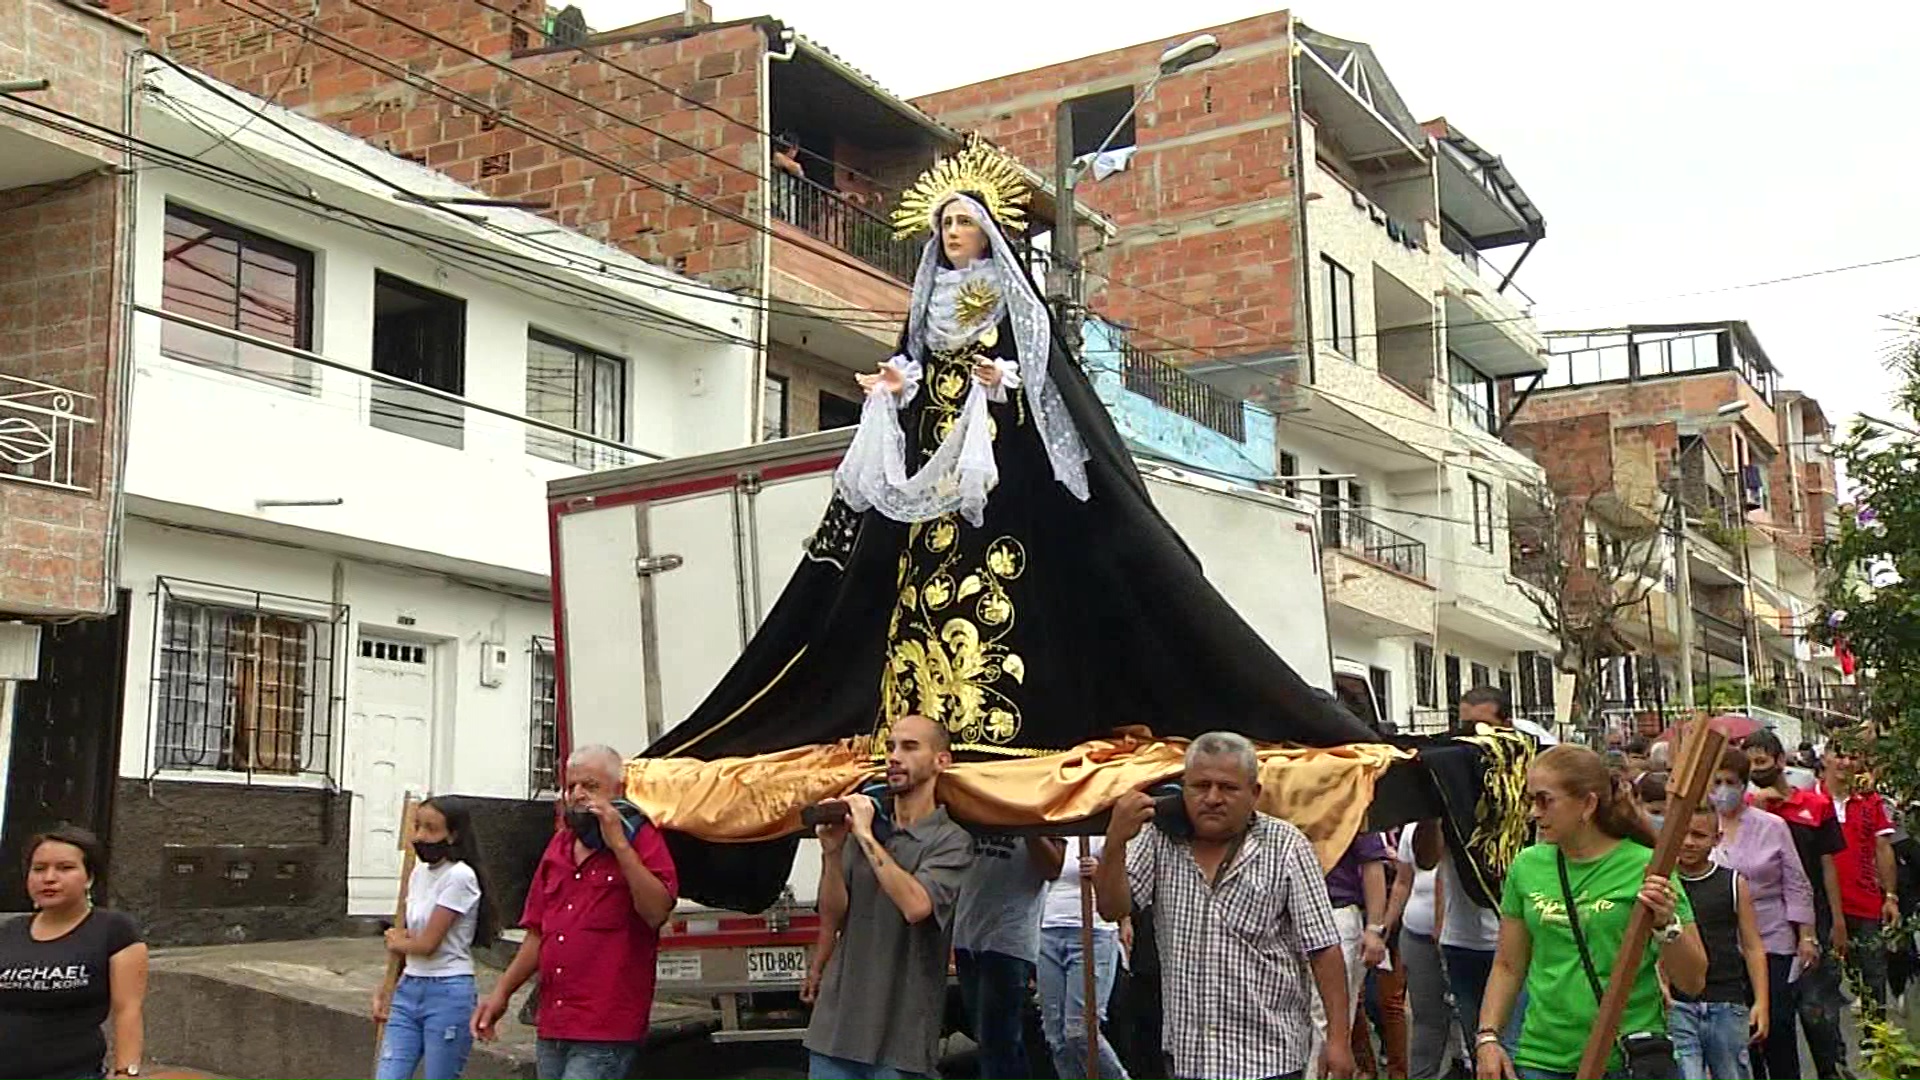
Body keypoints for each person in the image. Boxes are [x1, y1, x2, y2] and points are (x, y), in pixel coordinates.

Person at [1095, 730, 1357, 1080]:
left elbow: (1323, 948)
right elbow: (1112, 909)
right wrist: (1115, 841)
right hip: (1191, 1059)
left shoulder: (1287, 847)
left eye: (1228, 788)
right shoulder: (1158, 838)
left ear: (1254, 794)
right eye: (1200, 786)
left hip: (1269, 1059)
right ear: (1183, 789)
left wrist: (1338, 1041)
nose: (1213, 798)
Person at [1473, 745, 1708, 1080]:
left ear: (1588, 803)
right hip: (1542, 1058)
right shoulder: (1527, 866)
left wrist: (1666, 924)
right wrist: (1488, 1037)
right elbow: (1508, 965)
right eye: (1530, 801)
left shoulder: (1646, 866)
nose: (1533, 814)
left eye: (1545, 800)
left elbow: (1693, 980)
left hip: (1626, 1058)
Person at [472, 745, 678, 1080]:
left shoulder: (642, 838)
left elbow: (656, 912)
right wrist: (501, 993)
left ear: (619, 791)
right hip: (554, 1021)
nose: (578, 795)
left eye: (591, 787)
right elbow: (538, 932)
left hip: (604, 1026)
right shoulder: (561, 845)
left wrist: (620, 846)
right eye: (572, 787)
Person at [804, 714, 973, 1080]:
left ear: (942, 761)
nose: (894, 756)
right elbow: (835, 914)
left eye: (910, 747)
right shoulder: (864, 831)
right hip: (835, 1030)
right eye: (891, 747)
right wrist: (832, 853)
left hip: (901, 1039)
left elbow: (916, 907)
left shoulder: (951, 841)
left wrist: (865, 836)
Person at [0, 826, 148, 1080]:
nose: (49, 878)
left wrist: (126, 1073)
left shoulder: (114, 930)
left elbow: (128, 1010)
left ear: (89, 877)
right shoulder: (9, 931)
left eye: (65, 868)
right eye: (39, 869)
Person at [1746, 731, 1850, 1080]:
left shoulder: (1814, 806)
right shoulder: (1745, 808)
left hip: (1813, 917)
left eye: (1761, 762)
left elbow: (1826, 866)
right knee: (1774, 1014)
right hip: (1767, 924)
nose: (1755, 769)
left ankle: (1832, 1068)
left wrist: (1836, 920)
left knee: (1817, 1007)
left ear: (1779, 761)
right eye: (1750, 764)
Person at [1704, 747, 1813, 1080]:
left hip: (1772, 937)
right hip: (1723, 944)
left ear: (1744, 784)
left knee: (1778, 1025)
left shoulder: (1772, 826)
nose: (1723, 789)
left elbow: (1795, 882)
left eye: (1731, 782)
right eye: (1717, 781)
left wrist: (1806, 935)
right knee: (1737, 1034)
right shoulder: (1700, 827)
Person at [374, 796, 496, 1080]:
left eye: (431, 829)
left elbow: (427, 944)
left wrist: (395, 940)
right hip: (408, 989)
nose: (420, 837)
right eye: (417, 827)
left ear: (452, 834)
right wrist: (387, 986)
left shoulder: (460, 876)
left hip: (447, 992)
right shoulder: (418, 874)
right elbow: (409, 939)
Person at [954, 831, 1062, 1080]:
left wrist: (1027, 827)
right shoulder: (978, 800)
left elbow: (1052, 868)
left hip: (1009, 940)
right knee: (989, 1039)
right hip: (967, 935)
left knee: (998, 1041)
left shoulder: (1041, 803)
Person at [1673, 807, 1770, 1080]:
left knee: (1732, 1072)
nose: (1689, 842)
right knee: (1686, 1073)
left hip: (1727, 1000)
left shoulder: (1733, 882)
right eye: (1683, 833)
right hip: (1677, 1003)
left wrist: (1761, 1002)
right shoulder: (1664, 882)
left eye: (1699, 835)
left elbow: (1752, 946)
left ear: (1716, 839)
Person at [1039, 837, 1132, 1080]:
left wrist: (1100, 873)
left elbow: (1124, 889)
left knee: (1080, 1031)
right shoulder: (1048, 829)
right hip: (1047, 929)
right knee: (1055, 1036)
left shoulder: (1102, 832)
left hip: (1093, 931)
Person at [1817, 744, 1898, 1007]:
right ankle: (1834, 1049)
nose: (1845, 762)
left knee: (1874, 981)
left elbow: (1883, 848)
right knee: (1824, 986)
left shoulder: (1871, 802)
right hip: (1822, 909)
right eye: (1839, 755)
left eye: (1852, 756)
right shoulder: (1808, 800)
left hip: (1865, 906)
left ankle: (1877, 1046)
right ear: (1825, 758)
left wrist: (1890, 896)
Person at [1317, 832, 1391, 1080]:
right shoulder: (1277, 797)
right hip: (1283, 916)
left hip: (1336, 914)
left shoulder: (1348, 798)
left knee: (1329, 1021)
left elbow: (1372, 863)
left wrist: (1374, 929)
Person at [1392, 826, 1460, 1080]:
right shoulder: (1414, 829)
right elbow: (1402, 881)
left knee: (1462, 1019)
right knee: (1426, 1020)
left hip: (1459, 938)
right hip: (1415, 933)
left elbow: (1443, 875)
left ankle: (1461, 1066)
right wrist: (1383, 926)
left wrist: (1442, 925)